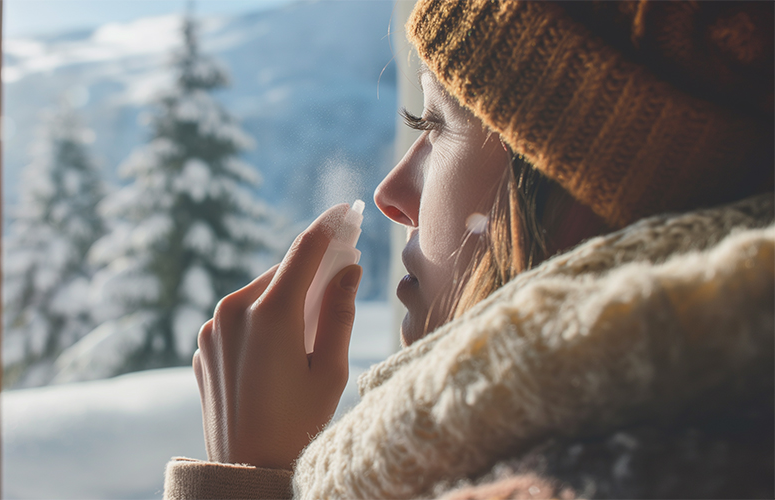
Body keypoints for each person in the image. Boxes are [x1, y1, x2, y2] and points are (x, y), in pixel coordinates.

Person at [165, 0, 774, 498]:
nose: (391, 194)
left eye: (433, 125)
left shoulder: (571, 483)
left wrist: (242, 481)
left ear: (583, 181)